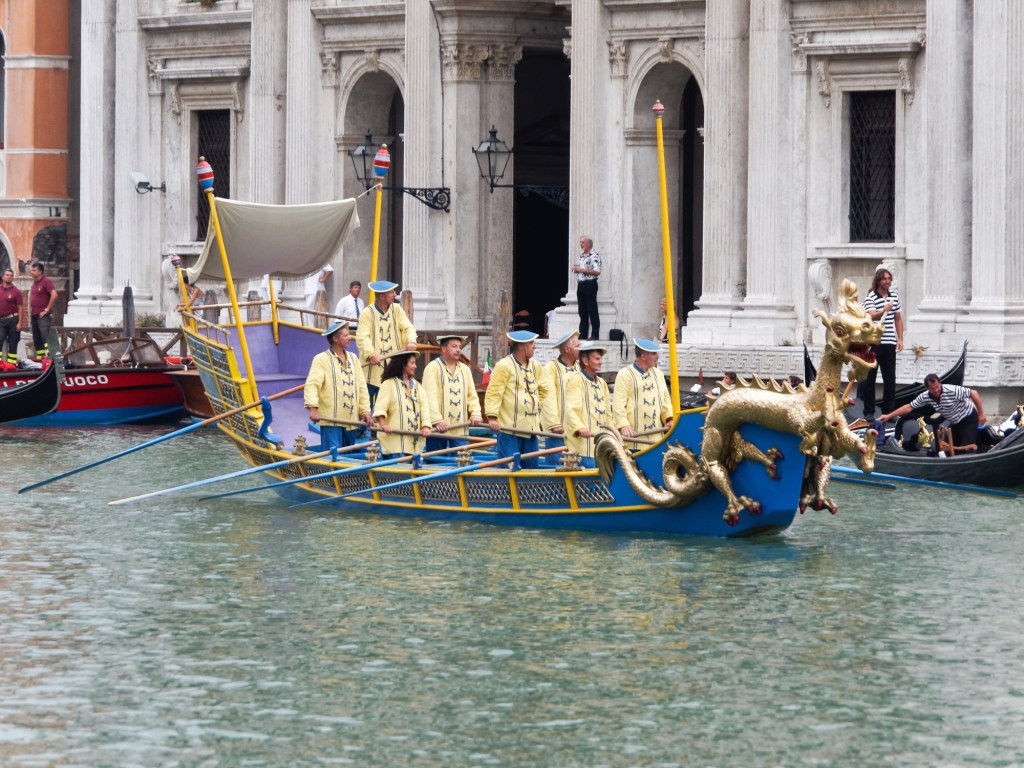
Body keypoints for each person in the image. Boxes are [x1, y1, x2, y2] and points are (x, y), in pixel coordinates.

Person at [484, 330, 551, 468]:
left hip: (531, 431)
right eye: (531, 343)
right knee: (509, 471)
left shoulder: (536, 366)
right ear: (521, 346)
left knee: (531, 471)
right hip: (509, 431)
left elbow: (544, 390)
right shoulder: (503, 365)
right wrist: (492, 417)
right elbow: (494, 393)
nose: (535, 346)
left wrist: (535, 406)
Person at [304, 320, 373, 450]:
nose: (350, 338)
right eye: (346, 335)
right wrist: (313, 409)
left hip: (351, 421)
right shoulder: (321, 359)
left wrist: (365, 411)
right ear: (335, 338)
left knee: (348, 457)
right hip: (331, 422)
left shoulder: (354, 359)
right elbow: (312, 385)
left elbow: (362, 387)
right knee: (333, 457)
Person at [879, 373, 986, 451]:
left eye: (937, 387)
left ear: (940, 383)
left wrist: (981, 414)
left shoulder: (951, 390)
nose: (935, 391)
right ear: (927, 388)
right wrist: (889, 416)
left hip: (968, 417)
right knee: (949, 448)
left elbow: (974, 393)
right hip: (955, 422)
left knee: (968, 447)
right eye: (932, 389)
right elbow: (909, 407)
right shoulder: (925, 396)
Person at [356, 279, 418, 403]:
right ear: (382, 296)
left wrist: (411, 340)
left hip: (392, 370)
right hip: (371, 374)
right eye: (392, 292)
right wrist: (371, 354)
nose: (395, 295)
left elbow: (407, 327)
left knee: (391, 408)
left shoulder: (397, 310)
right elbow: (362, 337)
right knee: (364, 410)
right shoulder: (367, 313)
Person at [421, 334, 482, 452]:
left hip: (460, 428)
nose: (458, 349)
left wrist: (475, 413)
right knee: (436, 461)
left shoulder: (465, 370)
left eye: (459, 347)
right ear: (444, 348)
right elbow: (429, 397)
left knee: (462, 461)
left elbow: (472, 396)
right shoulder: (432, 368)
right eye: (454, 346)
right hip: (438, 429)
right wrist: (437, 420)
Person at [858, 267, 903, 420]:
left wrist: (900, 339)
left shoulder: (894, 297)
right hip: (874, 343)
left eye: (889, 279)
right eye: (885, 279)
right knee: (870, 378)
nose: (888, 281)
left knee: (890, 379)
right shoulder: (870, 297)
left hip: (889, 342)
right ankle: (869, 412)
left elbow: (898, 318)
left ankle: (889, 412)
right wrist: (883, 310)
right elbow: (871, 316)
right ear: (878, 280)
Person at [612, 338, 674, 450]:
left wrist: (669, 419)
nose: (657, 357)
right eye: (654, 354)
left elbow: (666, 401)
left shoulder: (659, 374)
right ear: (643, 356)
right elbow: (618, 405)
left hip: (656, 440)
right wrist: (623, 425)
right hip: (633, 440)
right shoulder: (624, 375)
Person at [373, 350, 432, 458]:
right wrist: (384, 425)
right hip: (394, 443)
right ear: (403, 364)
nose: (415, 366)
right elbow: (380, 409)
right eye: (412, 363)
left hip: (414, 443)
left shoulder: (418, 387)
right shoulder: (388, 384)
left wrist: (426, 426)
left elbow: (425, 409)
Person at [564, 342, 611, 468]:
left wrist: (612, 432)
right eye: (597, 358)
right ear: (585, 360)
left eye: (601, 358)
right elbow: (570, 410)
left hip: (599, 446)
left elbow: (608, 414)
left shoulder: (602, 383)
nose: (601, 362)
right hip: (582, 448)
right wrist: (579, 427)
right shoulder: (576, 381)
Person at [540, 330, 580, 466]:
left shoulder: (580, 368)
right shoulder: (551, 368)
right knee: (556, 466)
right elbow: (548, 396)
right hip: (558, 429)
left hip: (576, 429)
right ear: (567, 349)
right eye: (577, 346)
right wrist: (554, 423)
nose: (580, 349)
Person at [573, 235, 601, 340]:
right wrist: (575, 268)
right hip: (581, 285)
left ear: (588, 244)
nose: (581, 245)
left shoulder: (594, 256)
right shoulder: (581, 256)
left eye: (582, 243)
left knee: (592, 309)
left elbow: (597, 271)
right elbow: (578, 268)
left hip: (590, 284)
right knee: (582, 311)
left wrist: (581, 270)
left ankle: (595, 334)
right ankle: (583, 334)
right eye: (580, 242)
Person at [29, 261, 58, 361]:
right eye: (31, 270)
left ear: (40, 272)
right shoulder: (34, 283)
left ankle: (50, 358)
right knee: (37, 340)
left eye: (34, 270)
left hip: (43, 316)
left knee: (45, 337)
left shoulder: (46, 281)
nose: (31, 272)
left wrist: (47, 310)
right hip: (34, 315)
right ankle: (40, 359)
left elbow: (54, 295)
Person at [1, 268, 23, 366]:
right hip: (1, 321)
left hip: (13, 320)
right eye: (7, 275)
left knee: (13, 343)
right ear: (2, 277)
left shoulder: (16, 292)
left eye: (11, 275)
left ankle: (11, 365)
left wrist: (20, 323)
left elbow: (20, 308)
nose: (9, 277)